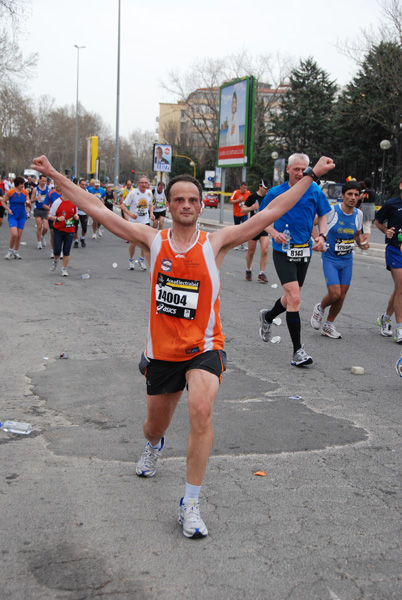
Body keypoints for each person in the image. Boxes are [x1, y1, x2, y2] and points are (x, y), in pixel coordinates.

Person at [32, 153, 335, 539]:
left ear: (201, 203)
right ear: (169, 204)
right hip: (162, 352)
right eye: (179, 200)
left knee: (202, 408)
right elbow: (96, 208)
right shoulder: (150, 239)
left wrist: (309, 175)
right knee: (154, 424)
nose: (187, 205)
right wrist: (57, 174)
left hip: (206, 346)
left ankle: (190, 502)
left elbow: (272, 209)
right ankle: (155, 444)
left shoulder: (217, 242)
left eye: (193, 199)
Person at [258, 153, 332, 366]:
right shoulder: (276, 192)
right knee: (295, 297)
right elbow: (261, 219)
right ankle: (297, 351)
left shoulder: (314, 190)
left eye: (304, 169)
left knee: (292, 296)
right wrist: (273, 232)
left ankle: (268, 316)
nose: (300, 173)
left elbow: (324, 214)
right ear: (288, 170)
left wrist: (322, 236)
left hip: (304, 250)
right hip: (282, 251)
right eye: (296, 169)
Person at [310, 181, 369, 339]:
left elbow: (356, 234)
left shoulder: (358, 214)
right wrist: (318, 240)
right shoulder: (331, 211)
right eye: (349, 194)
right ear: (342, 196)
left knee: (342, 295)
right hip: (330, 257)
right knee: (334, 293)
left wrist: (362, 243)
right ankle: (320, 308)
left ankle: (328, 325)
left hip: (347, 259)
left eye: (356, 195)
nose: (353, 197)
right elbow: (312, 223)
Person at [374, 179, 402, 344]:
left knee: (399, 289)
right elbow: (378, 221)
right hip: (395, 250)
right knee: (401, 289)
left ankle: (385, 318)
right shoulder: (392, 204)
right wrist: (386, 230)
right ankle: (400, 329)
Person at [121, 175, 154, 270]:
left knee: (145, 242)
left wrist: (151, 213)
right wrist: (130, 214)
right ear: (138, 184)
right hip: (134, 222)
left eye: (146, 183)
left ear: (148, 184)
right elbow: (123, 206)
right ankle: (131, 260)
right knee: (133, 243)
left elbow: (150, 204)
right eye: (142, 183)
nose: (144, 184)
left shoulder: (149, 193)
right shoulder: (133, 193)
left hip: (145, 220)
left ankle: (141, 259)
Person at [241, 178, 270, 282]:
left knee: (265, 250)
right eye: (265, 188)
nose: (267, 190)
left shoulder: (268, 197)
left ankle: (261, 273)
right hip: (253, 227)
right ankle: (248, 269)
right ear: (260, 186)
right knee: (251, 251)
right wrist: (251, 208)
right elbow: (243, 210)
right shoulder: (252, 197)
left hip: (264, 226)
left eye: (268, 188)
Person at [48, 185, 79, 276]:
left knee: (66, 250)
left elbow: (75, 213)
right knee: (57, 250)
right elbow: (50, 216)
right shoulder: (57, 202)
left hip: (70, 229)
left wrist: (76, 216)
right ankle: (55, 260)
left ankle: (64, 269)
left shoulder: (73, 202)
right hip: (58, 229)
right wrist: (57, 218)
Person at [1, 176, 31, 259]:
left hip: (22, 215)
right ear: (17, 184)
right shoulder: (10, 192)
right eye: (22, 184)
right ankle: (10, 250)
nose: (23, 185)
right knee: (14, 234)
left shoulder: (25, 192)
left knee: (19, 235)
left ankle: (16, 251)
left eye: (23, 184)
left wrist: (28, 203)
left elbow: (28, 202)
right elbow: (3, 202)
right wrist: (8, 209)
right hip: (13, 215)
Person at [229, 181, 250, 250]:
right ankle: (235, 244)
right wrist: (238, 200)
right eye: (243, 188)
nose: (244, 190)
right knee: (237, 229)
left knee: (245, 228)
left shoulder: (248, 193)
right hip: (236, 214)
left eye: (245, 188)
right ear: (240, 187)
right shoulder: (236, 192)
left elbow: (251, 201)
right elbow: (230, 201)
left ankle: (243, 244)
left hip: (244, 213)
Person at [31, 174, 50, 249]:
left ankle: (42, 236)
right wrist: (36, 198)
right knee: (39, 226)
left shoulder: (48, 188)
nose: (44, 182)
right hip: (38, 209)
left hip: (45, 209)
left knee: (45, 228)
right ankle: (39, 242)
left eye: (45, 181)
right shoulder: (35, 189)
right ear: (39, 180)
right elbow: (31, 200)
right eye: (42, 181)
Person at [45, 183, 62, 258]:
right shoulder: (50, 193)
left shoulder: (65, 193)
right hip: (52, 216)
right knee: (53, 233)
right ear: (55, 184)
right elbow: (44, 204)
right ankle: (53, 250)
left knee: (62, 233)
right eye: (58, 184)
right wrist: (51, 209)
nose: (59, 186)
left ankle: (60, 251)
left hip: (62, 216)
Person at [73, 179, 89, 249]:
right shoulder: (76, 192)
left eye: (85, 185)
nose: (84, 186)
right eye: (82, 184)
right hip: (76, 212)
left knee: (84, 228)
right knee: (75, 228)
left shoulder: (87, 192)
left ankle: (82, 238)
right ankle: (76, 240)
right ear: (79, 184)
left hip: (84, 212)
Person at [360, 177, 376, 242]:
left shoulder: (367, 191)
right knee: (368, 225)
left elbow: (361, 197)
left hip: (366, 209)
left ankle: (365, 241)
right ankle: (366, 240)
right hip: (372, 208)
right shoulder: (373, 190)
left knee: (365, 226)